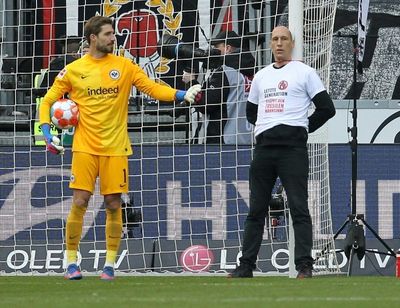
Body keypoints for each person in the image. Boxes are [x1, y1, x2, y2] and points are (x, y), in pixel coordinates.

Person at [39, 15, 201, 280]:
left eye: (113, 34)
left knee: (114, 205)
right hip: (84, 148)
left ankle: (110, 265)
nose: (114, 38)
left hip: (116, 148)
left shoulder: (125, 66)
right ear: (93, 38)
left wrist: (182, 95)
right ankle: (70, 263)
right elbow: (47, 102)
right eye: (108, 34)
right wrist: (48, 132)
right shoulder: (74, 70)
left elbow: (151, 88)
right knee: (79, 201)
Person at [228, 26, 336, 279]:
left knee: (299, 207)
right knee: (256, 209)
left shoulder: (305, 73)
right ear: (269, 44)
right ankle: (246, 266)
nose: (279, 43)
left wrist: (301, 126)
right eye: (274, 39)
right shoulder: (261, 76)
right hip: (264, 149)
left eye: (284, 39)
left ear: (292, 43)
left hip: (293, 150)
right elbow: (251, 113)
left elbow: (326, 108)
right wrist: (270, 124)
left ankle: (305, 266)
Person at [194, 30, 255, 144]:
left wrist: (192, 82)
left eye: (217, 47)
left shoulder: (225, 72)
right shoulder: (255, 71)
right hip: (249, 139)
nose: (213, 51)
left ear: (227, 48)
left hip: (223, 140)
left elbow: (205, 104)